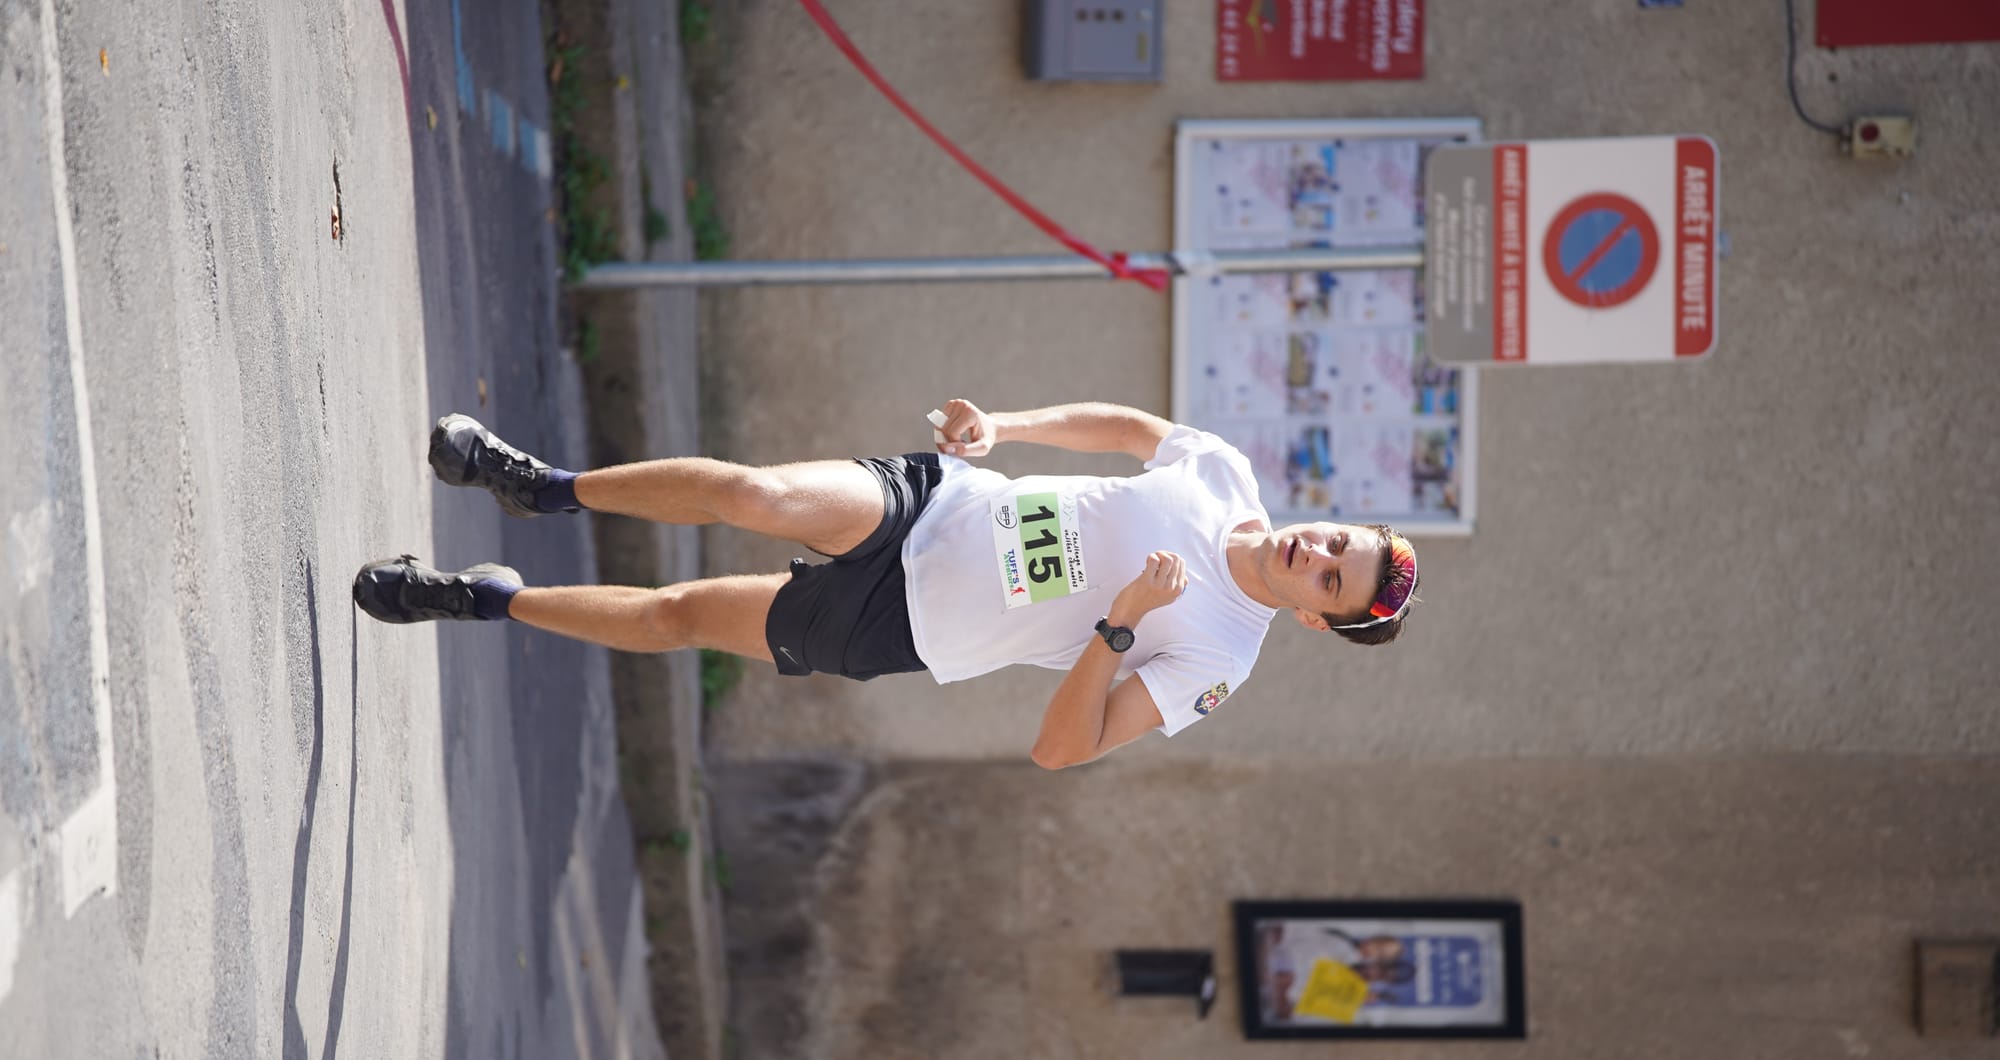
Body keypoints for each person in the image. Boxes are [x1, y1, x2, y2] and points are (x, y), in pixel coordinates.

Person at [353, 400, 1420, 768]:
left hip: (901, 622)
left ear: (1321, 619)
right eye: (1335, 540)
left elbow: (1061, 750)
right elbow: (1131, 430)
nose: (1314, 553)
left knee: (680, 615)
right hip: (940, 503)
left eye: (1332, 579)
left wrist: (1114, 629)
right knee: (753, 491)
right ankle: (542, 486)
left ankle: (478, 598)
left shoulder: (1217, 659)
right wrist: (1007, 427)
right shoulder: (1223, 472)